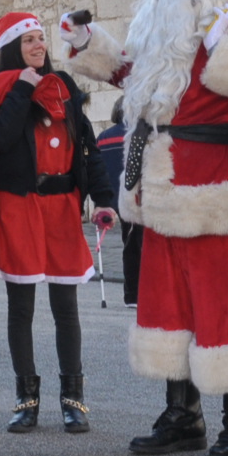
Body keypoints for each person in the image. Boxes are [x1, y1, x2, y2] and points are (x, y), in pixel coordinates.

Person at [63, 0, 228, 456]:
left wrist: (221, 44)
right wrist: (86, 44)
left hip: (216, 182)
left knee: (221, 299)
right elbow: (139, 77)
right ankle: (182, 414)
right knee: (167, 299)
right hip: (161, 181)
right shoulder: (165, 23)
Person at [0, 12, 118, 433]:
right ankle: (27, 398)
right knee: (21, 308)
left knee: (65, 308)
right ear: (12, 49)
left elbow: (87, 148)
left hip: (61, 206)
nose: (40, 46)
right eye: (29, 41)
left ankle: (73, 398)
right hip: (19, 205)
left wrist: (103, 199)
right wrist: (22, 89)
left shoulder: (66, 88)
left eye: (41, 39)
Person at [94, 101, 140, 307]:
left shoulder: (103, 137)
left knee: (129, 244)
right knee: (139, 247)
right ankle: (135, 294)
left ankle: (132, 294)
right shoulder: (136, 134)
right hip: (136, 197)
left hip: (112, 200)